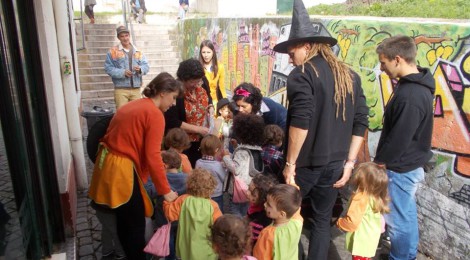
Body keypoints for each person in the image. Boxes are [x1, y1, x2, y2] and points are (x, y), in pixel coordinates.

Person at [272, 1, 368, 259]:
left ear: (307, 46)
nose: (290, 60)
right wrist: (349, 163)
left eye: (292, 53)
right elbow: (361, 122)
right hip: (336, 165)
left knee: (283, 216)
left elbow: (300, 122)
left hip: (304, 166)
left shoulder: (302, 74)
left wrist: (290, 165)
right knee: (322, 221)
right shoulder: (351, 76)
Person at [88, 72, 180, 259]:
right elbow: (152, 155)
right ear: (163, 92)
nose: (174, 103)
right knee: (135, 227)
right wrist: (165, 190)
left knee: (124, 222)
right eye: (174, 97)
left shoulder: (133, 105)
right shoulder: (155, 115)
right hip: (122, 172)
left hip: (108, 165)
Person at [374, 35, 435, 260]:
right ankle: (405, 254)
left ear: (397, 59)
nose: (382, 68)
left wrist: (379, 162)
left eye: (383, 62)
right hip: (407, 164)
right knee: (405, 214)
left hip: (401, 167)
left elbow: (399, 139)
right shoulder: (413, 87)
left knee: (399, 219)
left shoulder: (410, 95)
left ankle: (401, 257)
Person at [163, 168, 222, 260]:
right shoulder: (213, 205)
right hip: (207, 249)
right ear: (211, 187)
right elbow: (219, 225)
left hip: (186, 247)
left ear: (190, 184)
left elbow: (169, 214)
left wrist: (167, 202)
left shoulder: (183, 200)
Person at [164, 58, 214, 167]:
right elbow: (172, 122)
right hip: (182, 142)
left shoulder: (202, 82)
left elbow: (209, 96)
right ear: (183, 79)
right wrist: (198, 129)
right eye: (192, 81)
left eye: (198, 81)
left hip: (201, 139)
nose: (196, 84)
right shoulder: (175, 92)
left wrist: (210, 106)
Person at [336, 162, 390, 260]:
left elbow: (352, 222)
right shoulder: (376, 197)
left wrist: (340, 223)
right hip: (371, 240)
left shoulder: (360, 198)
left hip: (361, 241)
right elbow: (380, 222)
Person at [223, 113, 265, 217]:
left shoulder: (243, 151)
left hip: (235, 191)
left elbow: (235, 168)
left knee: (233, 215)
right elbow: (246, 165)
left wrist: (226, 157)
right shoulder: (257, 150)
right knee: (244, 213)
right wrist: (236, 146)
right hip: (247, 190)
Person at [151, 149, 187, 260]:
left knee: (168, 238)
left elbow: (151, 193)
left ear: (165, 166)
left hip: (164, 217)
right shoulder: (186, 178)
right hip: (180, 216)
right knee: (178, 236)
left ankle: (169, 257)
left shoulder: (161, 180)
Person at [252, 183, 303, 260]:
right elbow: (295, 204)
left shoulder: (267, 233)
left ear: (282, 214)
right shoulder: (297, 222)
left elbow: (260, 257)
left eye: (269, 205)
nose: (265, 205)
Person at [104, 25, 149, 110]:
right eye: (122, 36)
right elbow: (108, 68)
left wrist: (140, 69)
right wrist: (122, 72)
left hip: (136, 89)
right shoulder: (113, 51)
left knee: (136, 114)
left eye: (126, 35)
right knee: (122, 115)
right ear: (118, 38)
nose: (125, 38)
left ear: (129, 35)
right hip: (121, 90)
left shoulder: (138, 51)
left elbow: (146, 66)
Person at [195, 135, 228, 212]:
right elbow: (224, 178)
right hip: (216, 195)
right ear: (216, 150)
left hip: (202, 193)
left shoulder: (198, 162)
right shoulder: (218, 165)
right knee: (217, 214)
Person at [246, 174, 278, 248]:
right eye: (248, 188)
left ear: (263, 200)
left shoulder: (259, 222)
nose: (247, 192)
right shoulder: (255, 207)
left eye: (252, 194)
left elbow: (251, 242)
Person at [199, 40, 226, 106]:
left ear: (213, 52)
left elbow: (222, 87)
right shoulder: (198, 67)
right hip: (201, 102)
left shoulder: (220, 67)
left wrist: (225, 103)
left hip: (215, 102)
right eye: (203, 52)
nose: (206, 55)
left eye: (208, 52)